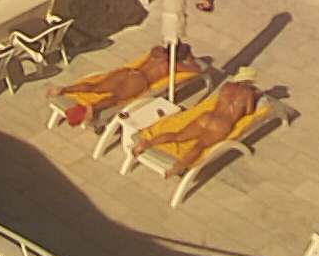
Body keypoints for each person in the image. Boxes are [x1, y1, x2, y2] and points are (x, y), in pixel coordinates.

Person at [131, 67, 260, 177]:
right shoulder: (249, 93)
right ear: (250, 81)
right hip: (222, 124)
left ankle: (146, 144)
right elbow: (249, 112)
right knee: (200, 146)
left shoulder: (227, 86)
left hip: (208, 117)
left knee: (178, 136)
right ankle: (178, 167)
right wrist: (255, 96)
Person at [47, 44, 194, 117]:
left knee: (96, 86)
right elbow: (196, 69)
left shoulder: (157, 51)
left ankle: (64, 89)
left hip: (128, 72)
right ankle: (94, 108)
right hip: (140, 80)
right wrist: (190, 58)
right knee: (116, 98)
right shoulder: (172, 65)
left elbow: (162, 47)